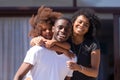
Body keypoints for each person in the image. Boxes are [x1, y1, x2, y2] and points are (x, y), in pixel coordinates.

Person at [31, 8, 101, 80]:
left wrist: (79, 68)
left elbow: (95, 72)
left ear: (89, 29)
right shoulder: (64, 37)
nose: (82, 25)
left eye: (86, 25)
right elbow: (46, 44)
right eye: (80, 22)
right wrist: (35, 40)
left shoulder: (93, 43)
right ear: (73, 22)